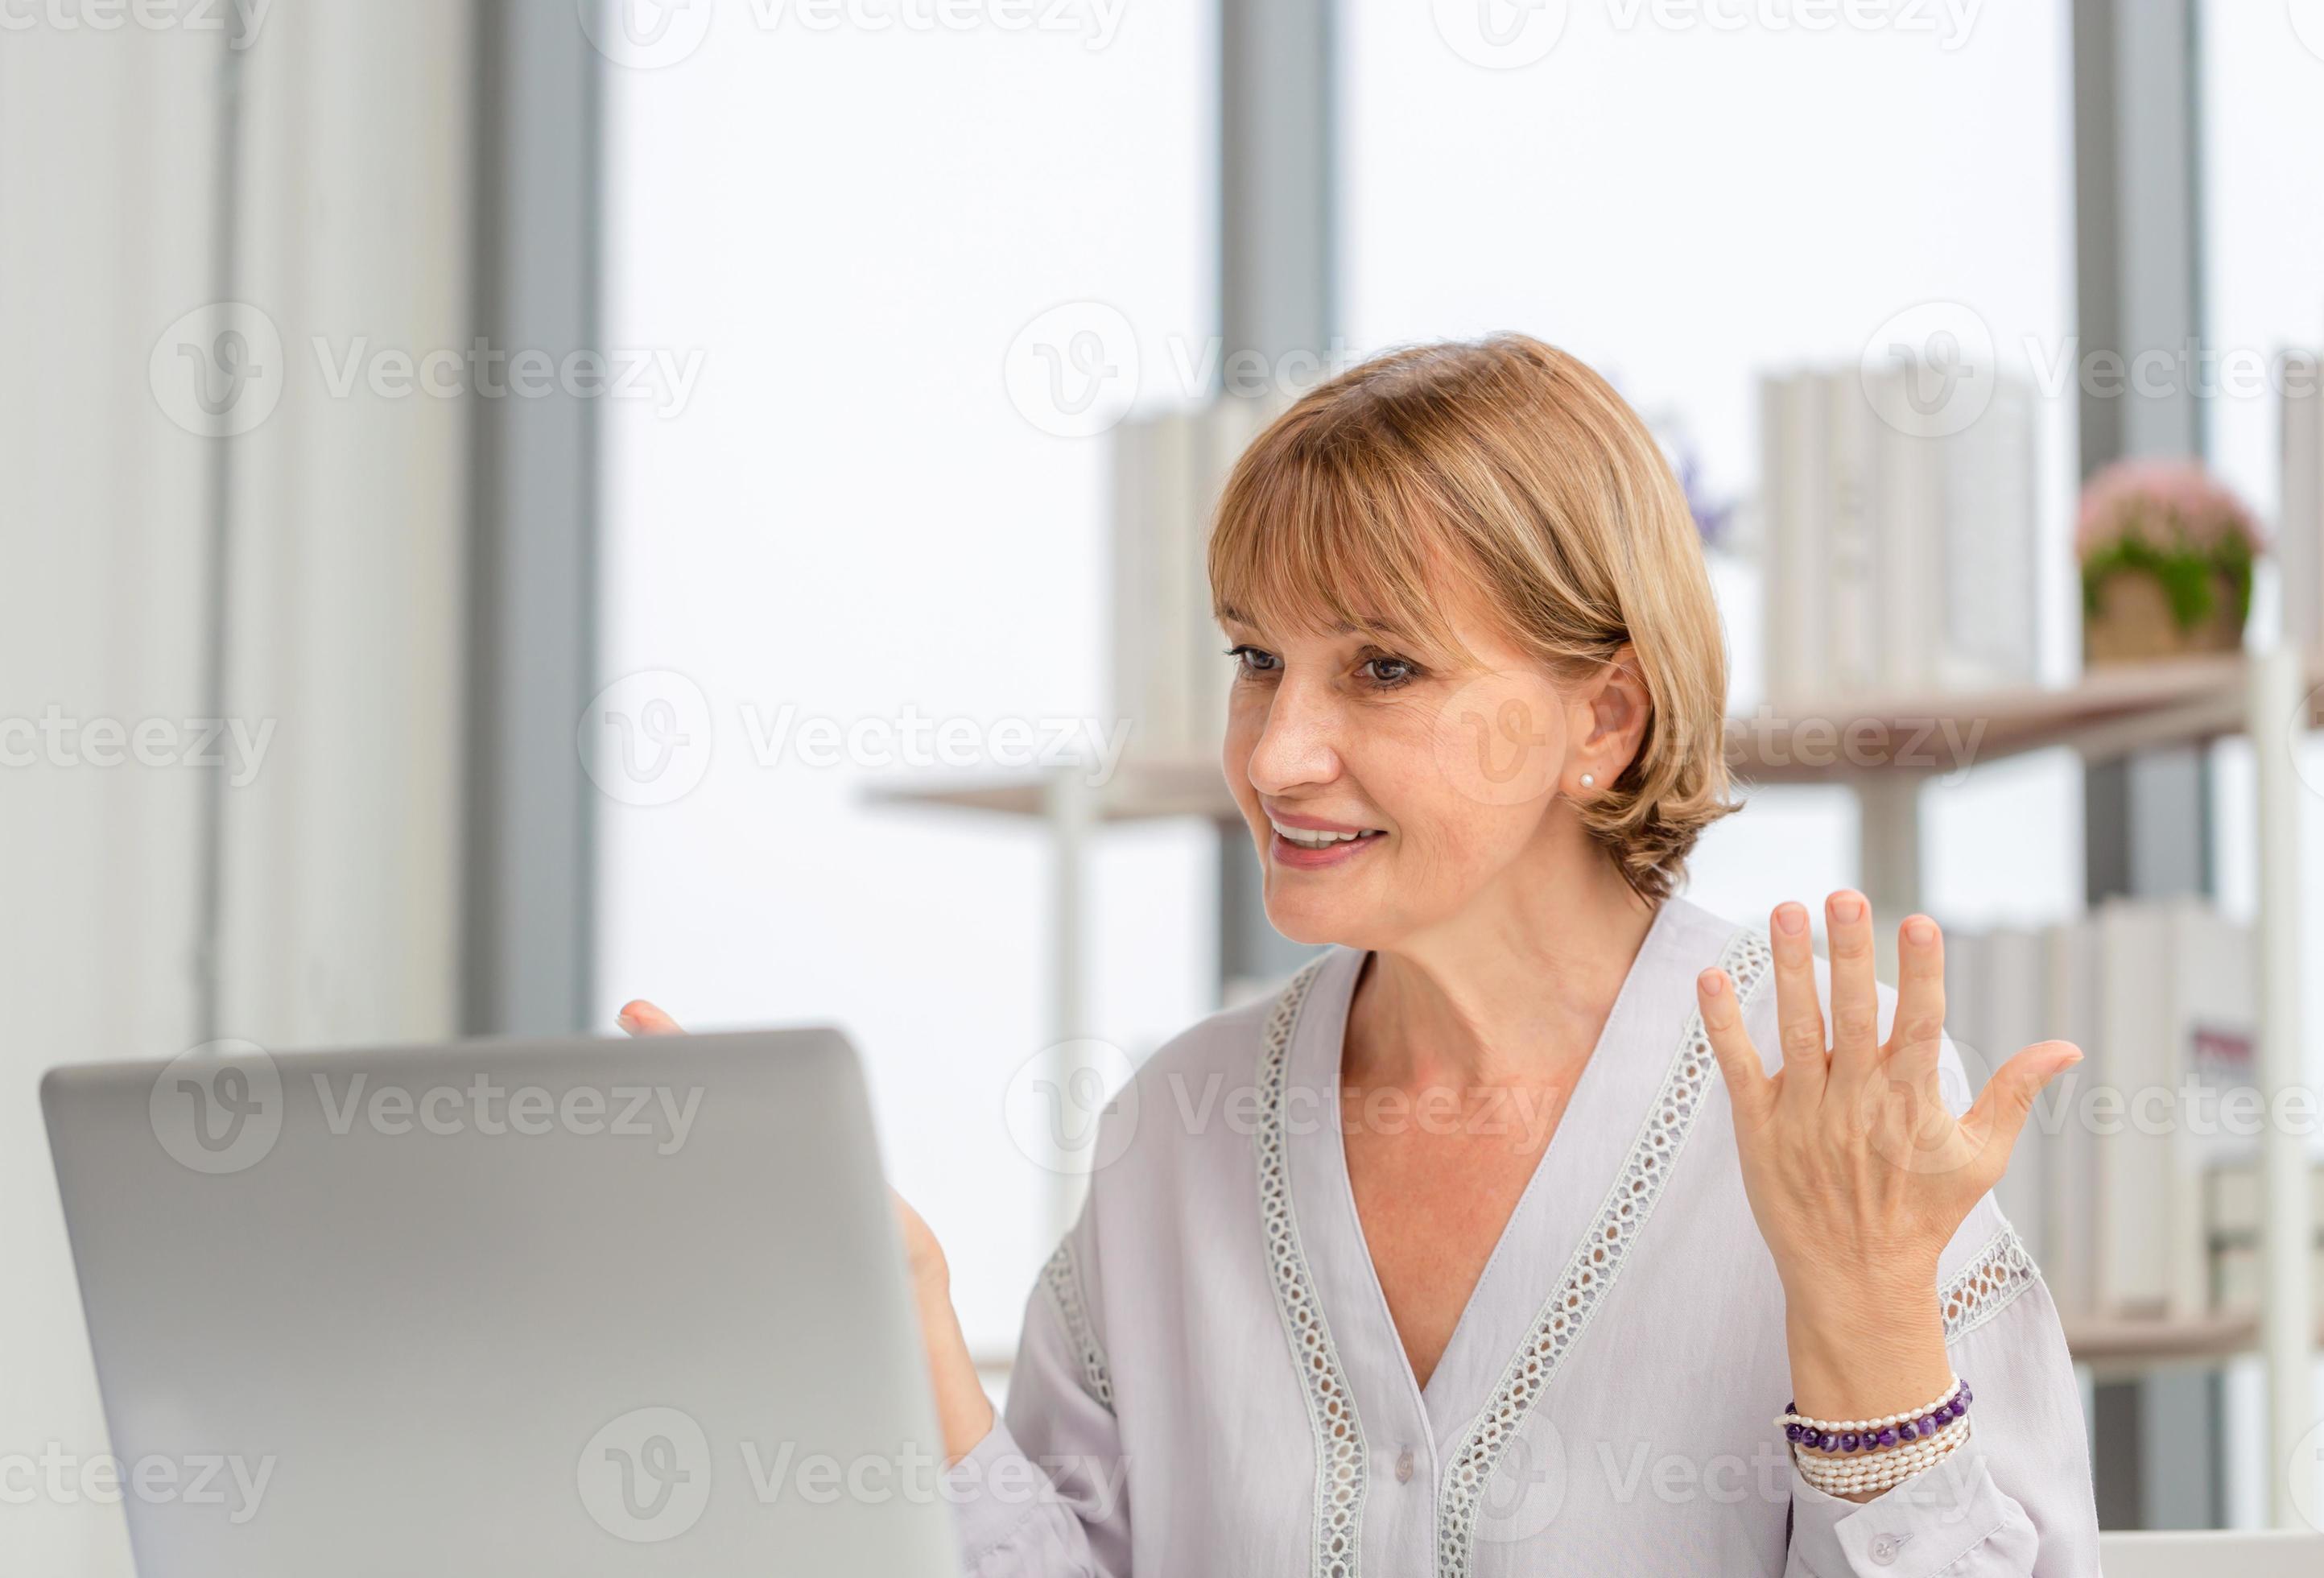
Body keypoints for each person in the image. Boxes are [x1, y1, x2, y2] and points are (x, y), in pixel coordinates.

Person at [624, 334, 2102, 1574]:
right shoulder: (1180, 1129)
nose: (1277, 752)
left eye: (1382, 668)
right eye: (1257, 658)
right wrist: (908, 1326)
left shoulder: (1824, 1105)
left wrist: (1865, 1316)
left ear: (1605, 720)